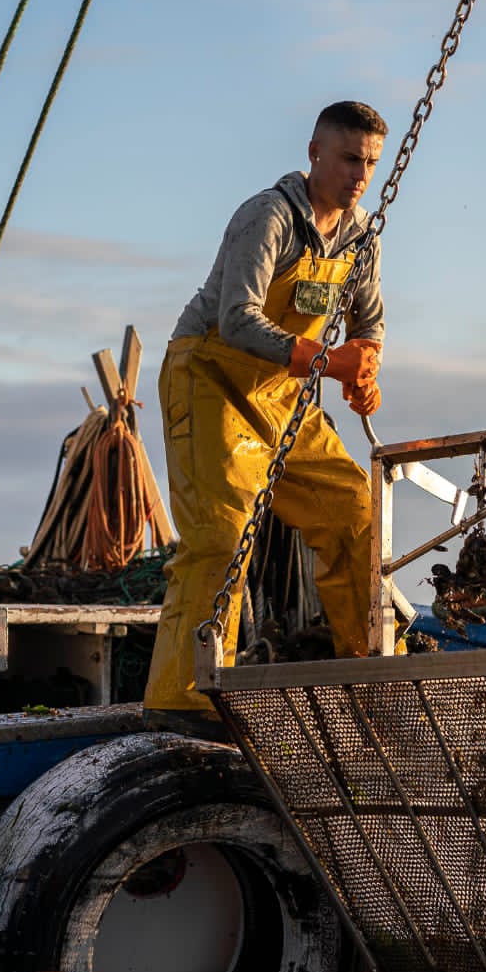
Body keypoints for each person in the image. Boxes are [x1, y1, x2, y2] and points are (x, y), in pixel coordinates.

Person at [144, 100, 388, 730]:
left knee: (354, 512)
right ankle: (184, 698)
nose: (359, 174)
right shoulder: (268, 216)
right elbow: (238, 318)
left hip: (283, 394)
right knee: (221, 536)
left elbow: (369, 325)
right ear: (314, 155)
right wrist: (324, 360)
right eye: (348, 158)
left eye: (369, 162)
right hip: (209, 377)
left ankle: (373, 672)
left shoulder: (362, 238)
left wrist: (364, 372)